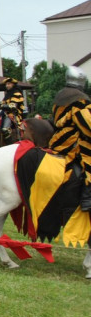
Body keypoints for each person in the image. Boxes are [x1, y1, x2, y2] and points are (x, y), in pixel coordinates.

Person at [49, 65, 91, 210]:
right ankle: (87, 198)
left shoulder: (61, 96)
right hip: (72, 141)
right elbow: (86, 123)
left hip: (57, 140)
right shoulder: (79, 99)